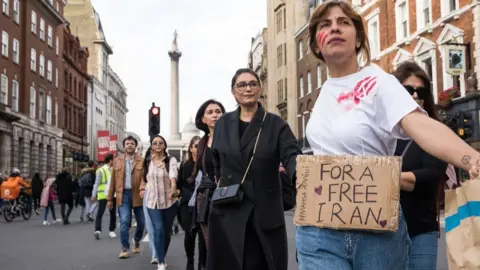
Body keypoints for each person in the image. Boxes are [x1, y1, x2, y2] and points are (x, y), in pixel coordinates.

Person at [296, 1, 480, 269]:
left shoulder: (378, 82)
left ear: (358, 38)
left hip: (375, 227)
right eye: (325, 25)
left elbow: (421, 126)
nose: (334, 28)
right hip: (319, 228)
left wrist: (472, 159)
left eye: (343, 22)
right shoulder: (324, 93)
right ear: (316, 44)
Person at [207, 68, 301, 270]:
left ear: (259, 88)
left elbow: (291, 155)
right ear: (234, 92)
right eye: (242, 85)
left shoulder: (276, 124)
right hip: (228, 210)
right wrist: (220, 184)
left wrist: (302, 175)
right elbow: (216, 159)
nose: (247, 88)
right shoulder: (223, 123)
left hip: (264, 211)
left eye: (252, 84)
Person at [393, 61, 447, 270]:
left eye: (421, 91)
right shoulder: (382, 133)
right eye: (408, 90)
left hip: (421, 232)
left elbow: (432, 174)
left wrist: (387, 177)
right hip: (381, 233)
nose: (415, 96)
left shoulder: (436, 132)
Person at [192, 99, 226, 260]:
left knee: (229, 245)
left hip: (228, 196)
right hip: (205, 198)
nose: (215, 115)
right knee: (210, 245)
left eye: (218, 111)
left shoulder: (231, 138)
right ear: (203, 119)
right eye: (210, 112)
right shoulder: (202, 143)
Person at [140, 135, 179, 270]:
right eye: (155, 143)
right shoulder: (147, 162)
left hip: (169, 201)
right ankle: (161, 262)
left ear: (164, 145)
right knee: (158, 229)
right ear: (151, 146)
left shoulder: (171, 160)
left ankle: (162, 254)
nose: (157, 145)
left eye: (160, 143)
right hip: (152, 202)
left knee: (166, 232)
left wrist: (173, 186)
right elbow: (144, 179)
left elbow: (173, 175)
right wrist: (142, 189)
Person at [107, 136, 145, 259]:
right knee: (124, 221)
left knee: (141, 222)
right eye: (127, 143)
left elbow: (145, 179)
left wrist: (143, 189)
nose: (129, 145)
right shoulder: (117, 161)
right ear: (124, 146)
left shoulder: (142, 161)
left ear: (135, 146)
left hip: (138, 195)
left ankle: (137, 239)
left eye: (132, 143)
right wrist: (109, 199)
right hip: (123, 195)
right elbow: (113, 180)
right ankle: (125, 247)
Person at [177, 135, 206, 270]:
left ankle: (202, 263)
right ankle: (190, 261)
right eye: (195, 146)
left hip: (203, 203)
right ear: (190, 148)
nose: (198, 148)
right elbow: (179, 184)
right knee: (189, 235)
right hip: (187, 205)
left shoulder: (207, 163)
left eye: (200, 145)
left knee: (203, 236)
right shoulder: (185, 164)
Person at [92, 153, 117, 239]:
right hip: (103, 195)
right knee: (100, 213)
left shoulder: (115, 169)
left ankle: (111, 230)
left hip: (113, 195)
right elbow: (96, 183)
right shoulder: (100, 170)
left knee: (113, 213)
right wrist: (93, 194)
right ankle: (98, 230)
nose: (115, 161)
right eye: (114, 159)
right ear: (110, 160)